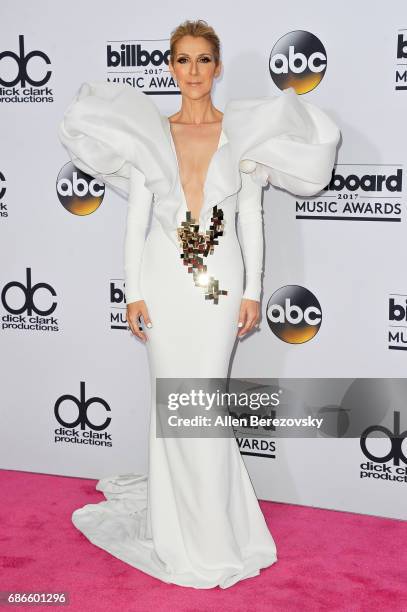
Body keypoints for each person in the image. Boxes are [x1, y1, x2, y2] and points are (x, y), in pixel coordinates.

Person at [58, 19, 340, 589]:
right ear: (170, 67)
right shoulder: (150, 135)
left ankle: (213, 530)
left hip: (220, 283)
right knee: (172, 405)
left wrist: (255, 290)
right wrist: (133, 290)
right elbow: (136, 222)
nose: (192, 72)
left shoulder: (243, 135)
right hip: (163, 282)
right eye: (182, 60)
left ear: (216, 66)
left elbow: (251, 219)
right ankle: (173, 524)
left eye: (203, 60)